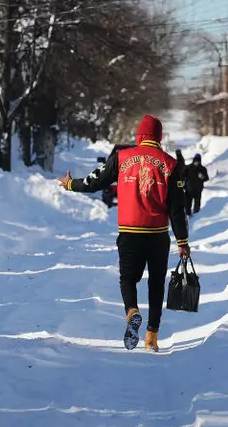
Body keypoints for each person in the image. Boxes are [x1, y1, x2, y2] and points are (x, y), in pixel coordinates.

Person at [58, 115, 189, 352]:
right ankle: (152, 338)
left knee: (128, 278)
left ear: (139, 135)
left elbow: (95, 180)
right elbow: (177, 209)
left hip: (130, 232)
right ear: (159, 137)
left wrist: (70, 184)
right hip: (158, 234)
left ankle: (132, 311)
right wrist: (182, 241)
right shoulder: (170, 164)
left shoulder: (122, 157)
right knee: (157, 284)